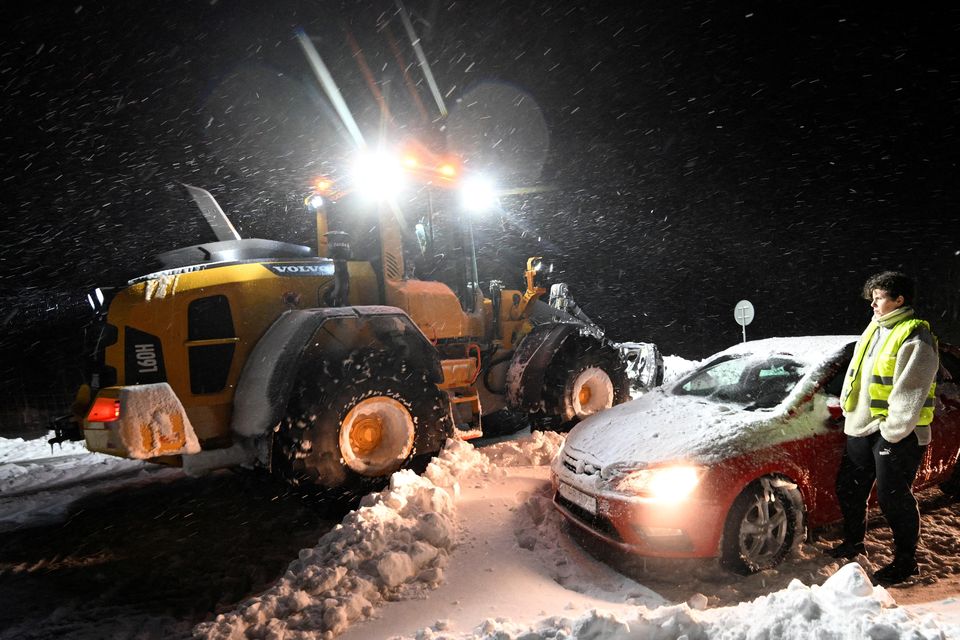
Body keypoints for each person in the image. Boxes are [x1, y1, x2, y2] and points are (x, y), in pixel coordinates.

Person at [829, 271, 939, 585]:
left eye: (879, 298)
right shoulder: (875, 329)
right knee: (848, 487)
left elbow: (912, 389)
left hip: (897, 432)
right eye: (873, 298)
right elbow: (856, 373)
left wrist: (892, 431)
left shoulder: (916, 335)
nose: (873, 304)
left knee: (894, 499)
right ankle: (853, 543)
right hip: (863, 426)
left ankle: (906, 562)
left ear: (899, 300)